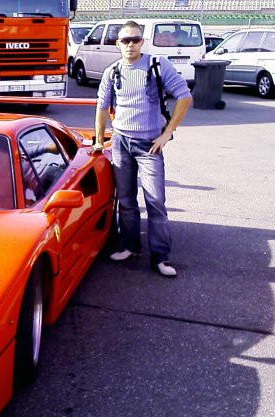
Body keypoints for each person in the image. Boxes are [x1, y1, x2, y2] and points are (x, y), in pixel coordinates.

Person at [90, 20, 192, 277]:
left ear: (142, 42)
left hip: (149, 145)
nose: (130, 45)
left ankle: (161, 257)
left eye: (135, 39)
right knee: (125, 200)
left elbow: (185, 96)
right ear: (118, 44)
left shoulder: (158, 66)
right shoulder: (112, 72)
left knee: (155, 200)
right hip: (121, 142)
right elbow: (102, 106)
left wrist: (167, 133)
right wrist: (99, 140)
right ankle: (130, 246)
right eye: (125, 40)